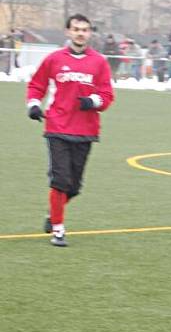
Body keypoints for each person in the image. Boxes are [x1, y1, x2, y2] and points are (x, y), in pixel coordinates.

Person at [25, 14, 114, 247]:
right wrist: (34, 105)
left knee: (74, 187)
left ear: (90, 33)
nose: (80, 33)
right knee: (60, 181)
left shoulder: (99, 62)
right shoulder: (54, 59)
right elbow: (37, 85)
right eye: (76, 29)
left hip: (85, 130)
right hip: (57, 127)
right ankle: (58, 231)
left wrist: (92, 102)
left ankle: (53, 214)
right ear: (68, 32)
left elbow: (107, 95)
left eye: (84, 30)